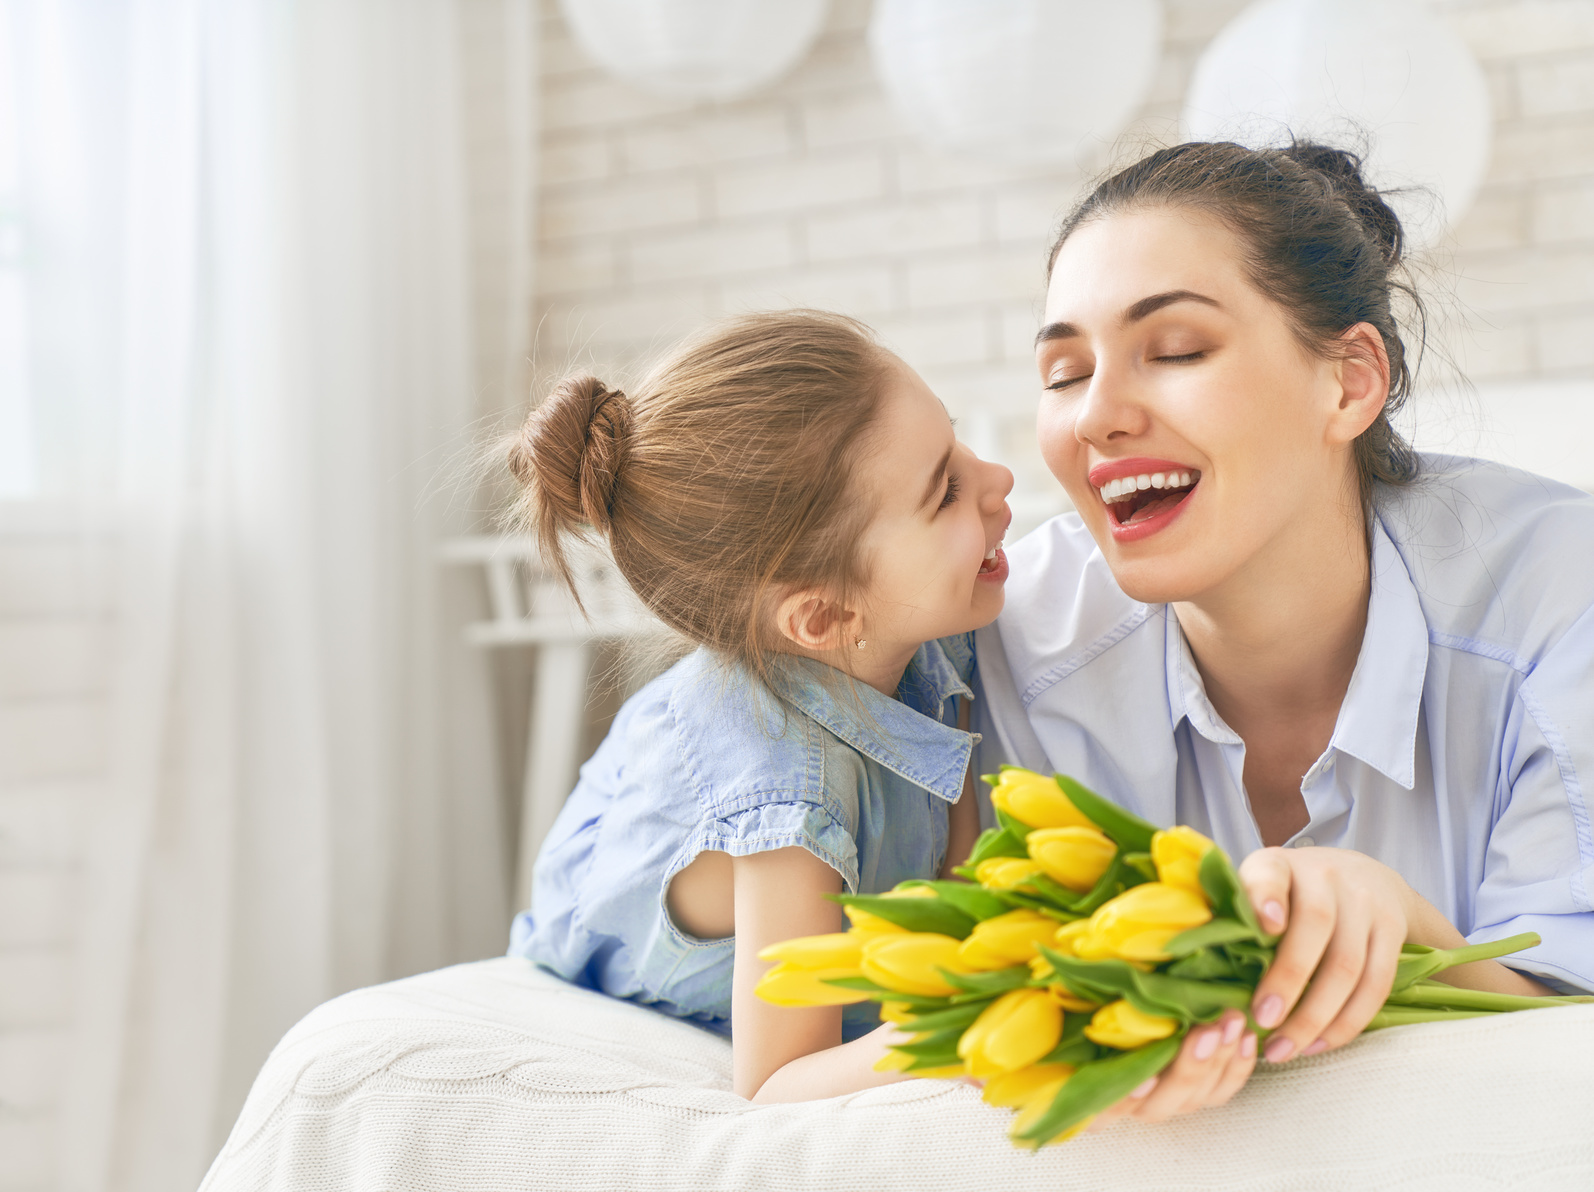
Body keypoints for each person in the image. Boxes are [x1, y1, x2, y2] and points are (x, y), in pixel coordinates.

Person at [975, 140, 1592, 1126]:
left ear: (1349, 382)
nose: (1096, 416)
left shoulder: (1563, 601)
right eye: (1064, 371)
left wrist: (1405, 926)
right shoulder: (1010, 639)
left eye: (1177, 350)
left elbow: (1572, 1027)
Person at [505, 310, 1015, 1102]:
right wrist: (958, 1033)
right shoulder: (786, 798)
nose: (999, 479)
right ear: (824, 615)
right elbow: (777, 1079)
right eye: (946, 491)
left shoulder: (929, 634)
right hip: (608, 926)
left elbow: (959, 891)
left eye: (954, 443)